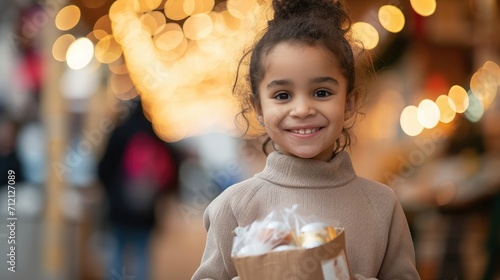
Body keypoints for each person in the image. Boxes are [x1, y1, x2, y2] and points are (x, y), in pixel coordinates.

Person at [192, 0, 420, 279]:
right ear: (259, 109)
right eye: (282, 95)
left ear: (349, 103)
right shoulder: (234, 207)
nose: (302, 110)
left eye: (321, 92)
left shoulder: (382, 205)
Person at [98, 99, 178, 280]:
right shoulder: (155, 136)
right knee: (142, 254)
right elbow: (171, 172)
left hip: (118, 209)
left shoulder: (118, 133)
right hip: (146, 211)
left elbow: (102, 168)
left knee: (118, 252)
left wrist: (111, 192)